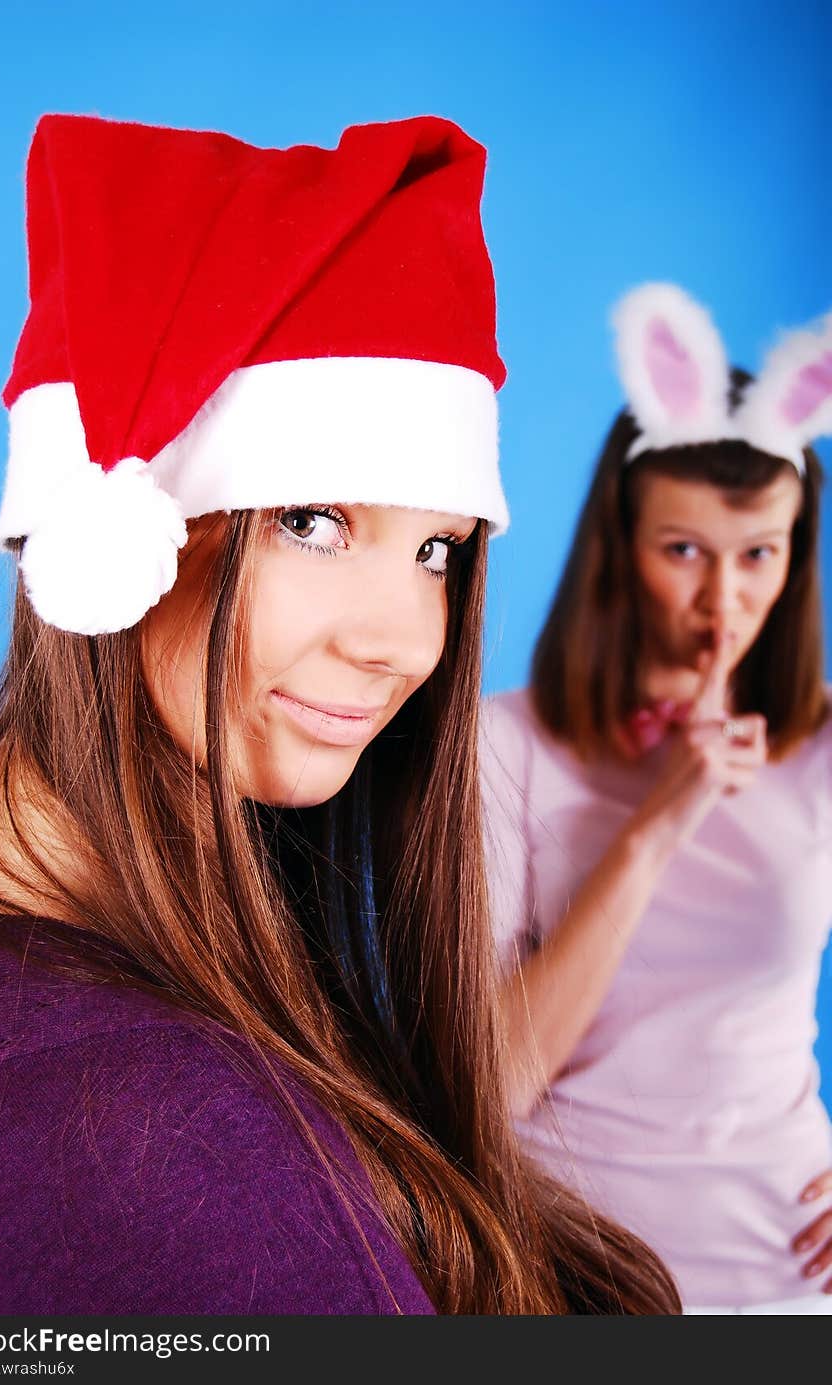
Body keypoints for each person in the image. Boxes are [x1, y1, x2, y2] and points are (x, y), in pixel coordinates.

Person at [0, 114, 679, 1315]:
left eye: (438, 548)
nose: (403, 641)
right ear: (110, 541)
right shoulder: (155, 1124)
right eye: (312, 521)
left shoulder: (162, 984)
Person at [482, 282, 832, 1314]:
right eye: (683, 551)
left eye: (757, 554)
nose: (723, 602)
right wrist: (653, 827)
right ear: (619, 549)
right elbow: (491, 1079)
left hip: (786, 1280)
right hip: (563, 1279)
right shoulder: (504, 748)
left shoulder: (820, 744)